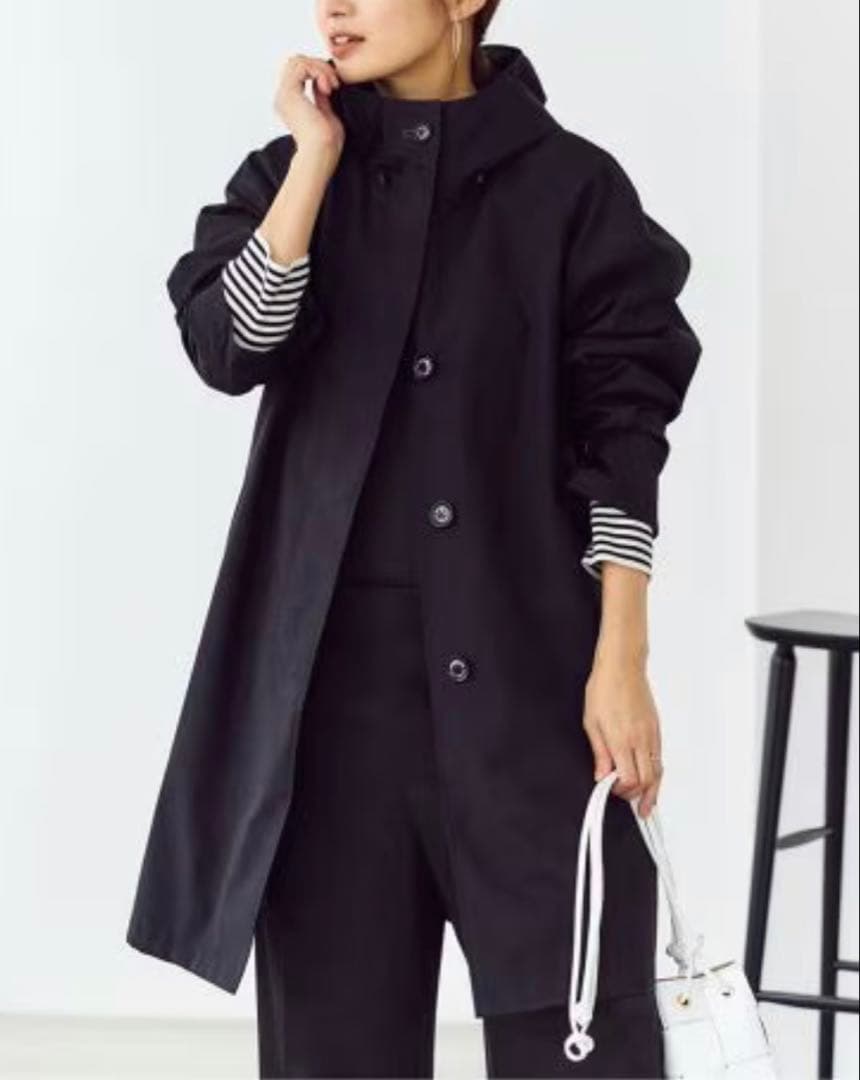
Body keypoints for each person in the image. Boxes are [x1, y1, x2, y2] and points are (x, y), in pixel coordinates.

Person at [126, 1, 702, 1076]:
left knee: (584, 1037)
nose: (333, 6)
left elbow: (623, 437)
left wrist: (621, 659)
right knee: (333, 1053)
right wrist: (314, 157)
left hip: (532, 693)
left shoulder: (572, 191)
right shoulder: (290, 178)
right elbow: (230, 345)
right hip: (327, 715)